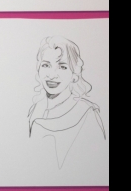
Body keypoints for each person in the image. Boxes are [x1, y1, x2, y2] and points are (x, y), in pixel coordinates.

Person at [26, 36, 106, 169]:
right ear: (38, 69)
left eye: (62, 67)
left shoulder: (87, 113)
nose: (52, 75)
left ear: (74, 74)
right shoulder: (35, 109)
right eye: (46, 65)